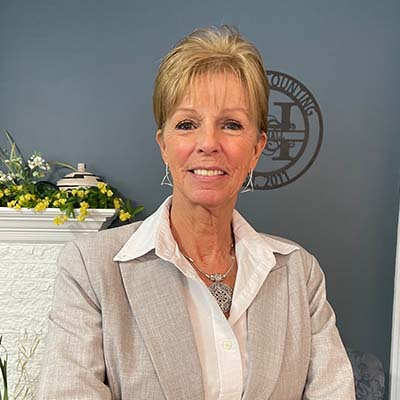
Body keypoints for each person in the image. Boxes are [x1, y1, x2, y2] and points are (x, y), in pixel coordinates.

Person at [37, 25, 355, 399]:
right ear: (164, 146)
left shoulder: (300, 275)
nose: (208, 144)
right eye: (187, 124)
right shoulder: (90, 269)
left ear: (256, 149)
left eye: (231, 125)